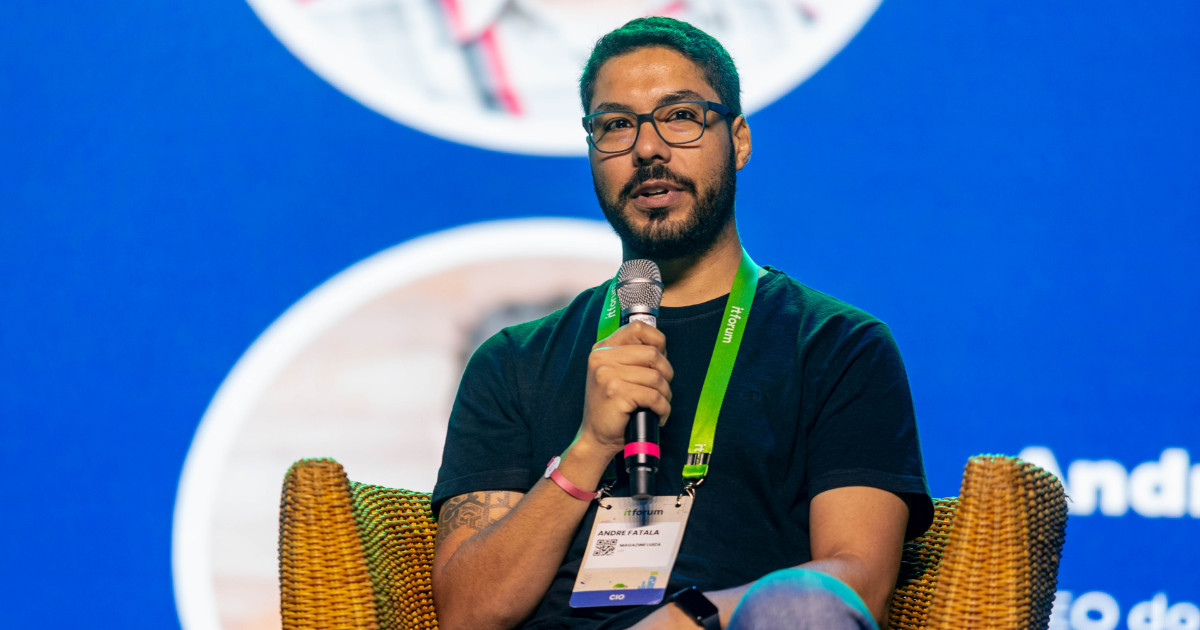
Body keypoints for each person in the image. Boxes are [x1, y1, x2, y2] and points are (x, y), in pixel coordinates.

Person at [430, 17, 933, 630]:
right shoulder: (513, 362)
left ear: (739, 140)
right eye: (616, 125)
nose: (647, 148)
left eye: (680, 116)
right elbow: (466, 614)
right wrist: (588, 450)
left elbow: (858, 580)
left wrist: (683, 619)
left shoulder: (835, 346)